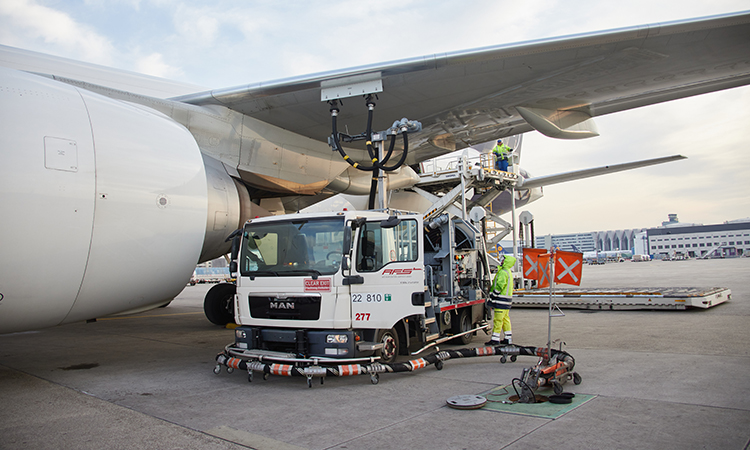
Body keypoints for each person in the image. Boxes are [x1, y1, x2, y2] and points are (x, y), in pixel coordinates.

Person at [485, 254, 516, 346]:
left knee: (498, 320)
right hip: (506, 302)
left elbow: (499, 285)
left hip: (500, 301)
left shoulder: (502, 272)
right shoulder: (508, 272)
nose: (501, 261)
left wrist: (493, 295)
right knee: (506, 319)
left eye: (503, 260)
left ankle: (495, 339)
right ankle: (508, 338)